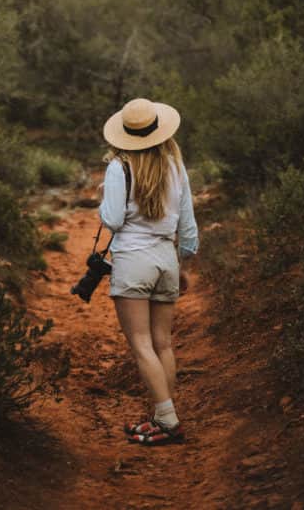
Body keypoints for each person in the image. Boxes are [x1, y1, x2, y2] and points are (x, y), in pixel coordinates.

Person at [98, 97, 198, 446]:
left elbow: (111, 220)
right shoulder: (176, 165)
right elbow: (188, 226)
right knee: (163, 344)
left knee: (141, 345)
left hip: (134, 260)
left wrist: (104, 197)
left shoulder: (119, 168)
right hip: (166, 258)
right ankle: (161, 416)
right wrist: (183, 264)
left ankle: (168, 421)